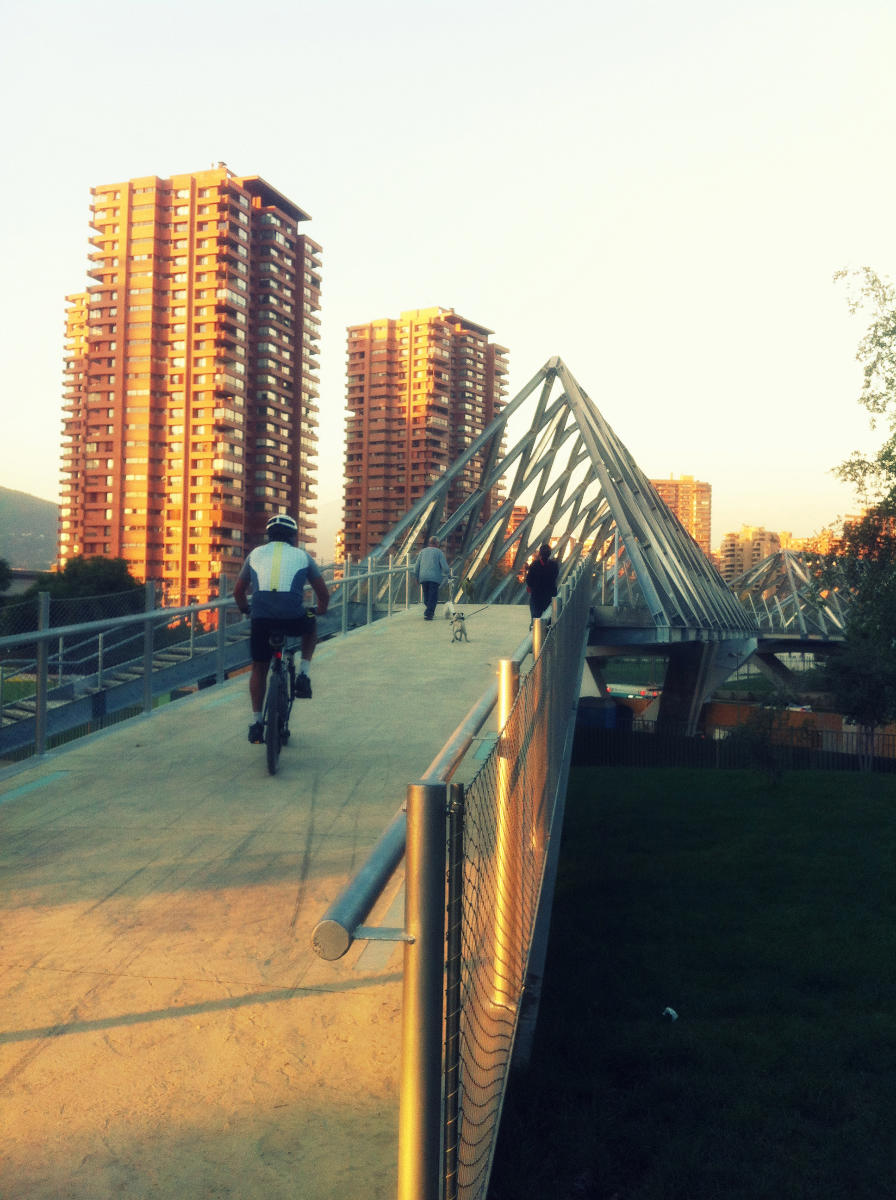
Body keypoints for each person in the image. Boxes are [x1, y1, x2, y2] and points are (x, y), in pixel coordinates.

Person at [233, 514, 330, 744]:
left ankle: (257, 722)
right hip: (293, 616)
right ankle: (304, 674)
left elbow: (238, 592)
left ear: (269, 535)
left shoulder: (254, 554)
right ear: (293, 537)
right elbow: (323, 593)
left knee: (259, 668)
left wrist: (247, 609)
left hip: (261, 618)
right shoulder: (302, 556)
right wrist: (321, 609)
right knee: (310, 625)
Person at [414, 536, 450, 621]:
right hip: (434, 578)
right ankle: (429, 613)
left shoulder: (422, 552)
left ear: (429, 543)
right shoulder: (439, 552)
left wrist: (416, 576)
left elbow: (416, 566)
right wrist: (448, 574)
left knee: (426, 596)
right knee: (433, 596)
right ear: (437, 544)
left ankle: (428, 611)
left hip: (423, 577)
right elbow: (445, 567)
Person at [525, 542, 559, 626]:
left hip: (537, 596)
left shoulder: (534, 565)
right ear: (550, 553)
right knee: (549, 619)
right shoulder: (554, 565)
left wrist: (532, 586)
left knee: (535, 619)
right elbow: (554, 577)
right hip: (549, 596)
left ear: (540, 553)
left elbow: (529, 580)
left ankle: (534, 634)